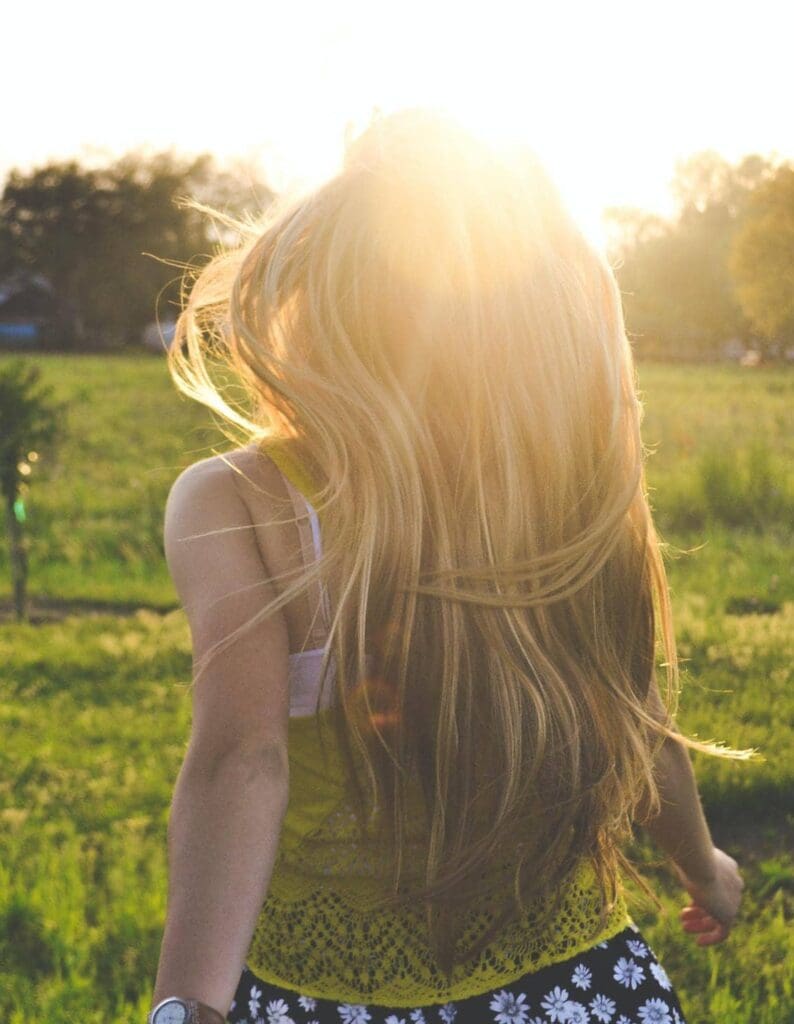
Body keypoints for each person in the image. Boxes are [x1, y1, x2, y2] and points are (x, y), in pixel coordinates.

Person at [147, 109, 746, 1024]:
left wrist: (188, 1003)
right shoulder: (571, 488)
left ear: (324, 290)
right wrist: (705, 867)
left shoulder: (240, 498)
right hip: (574, 987)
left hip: (328, 995)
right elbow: (635, 710)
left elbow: (243, 758)